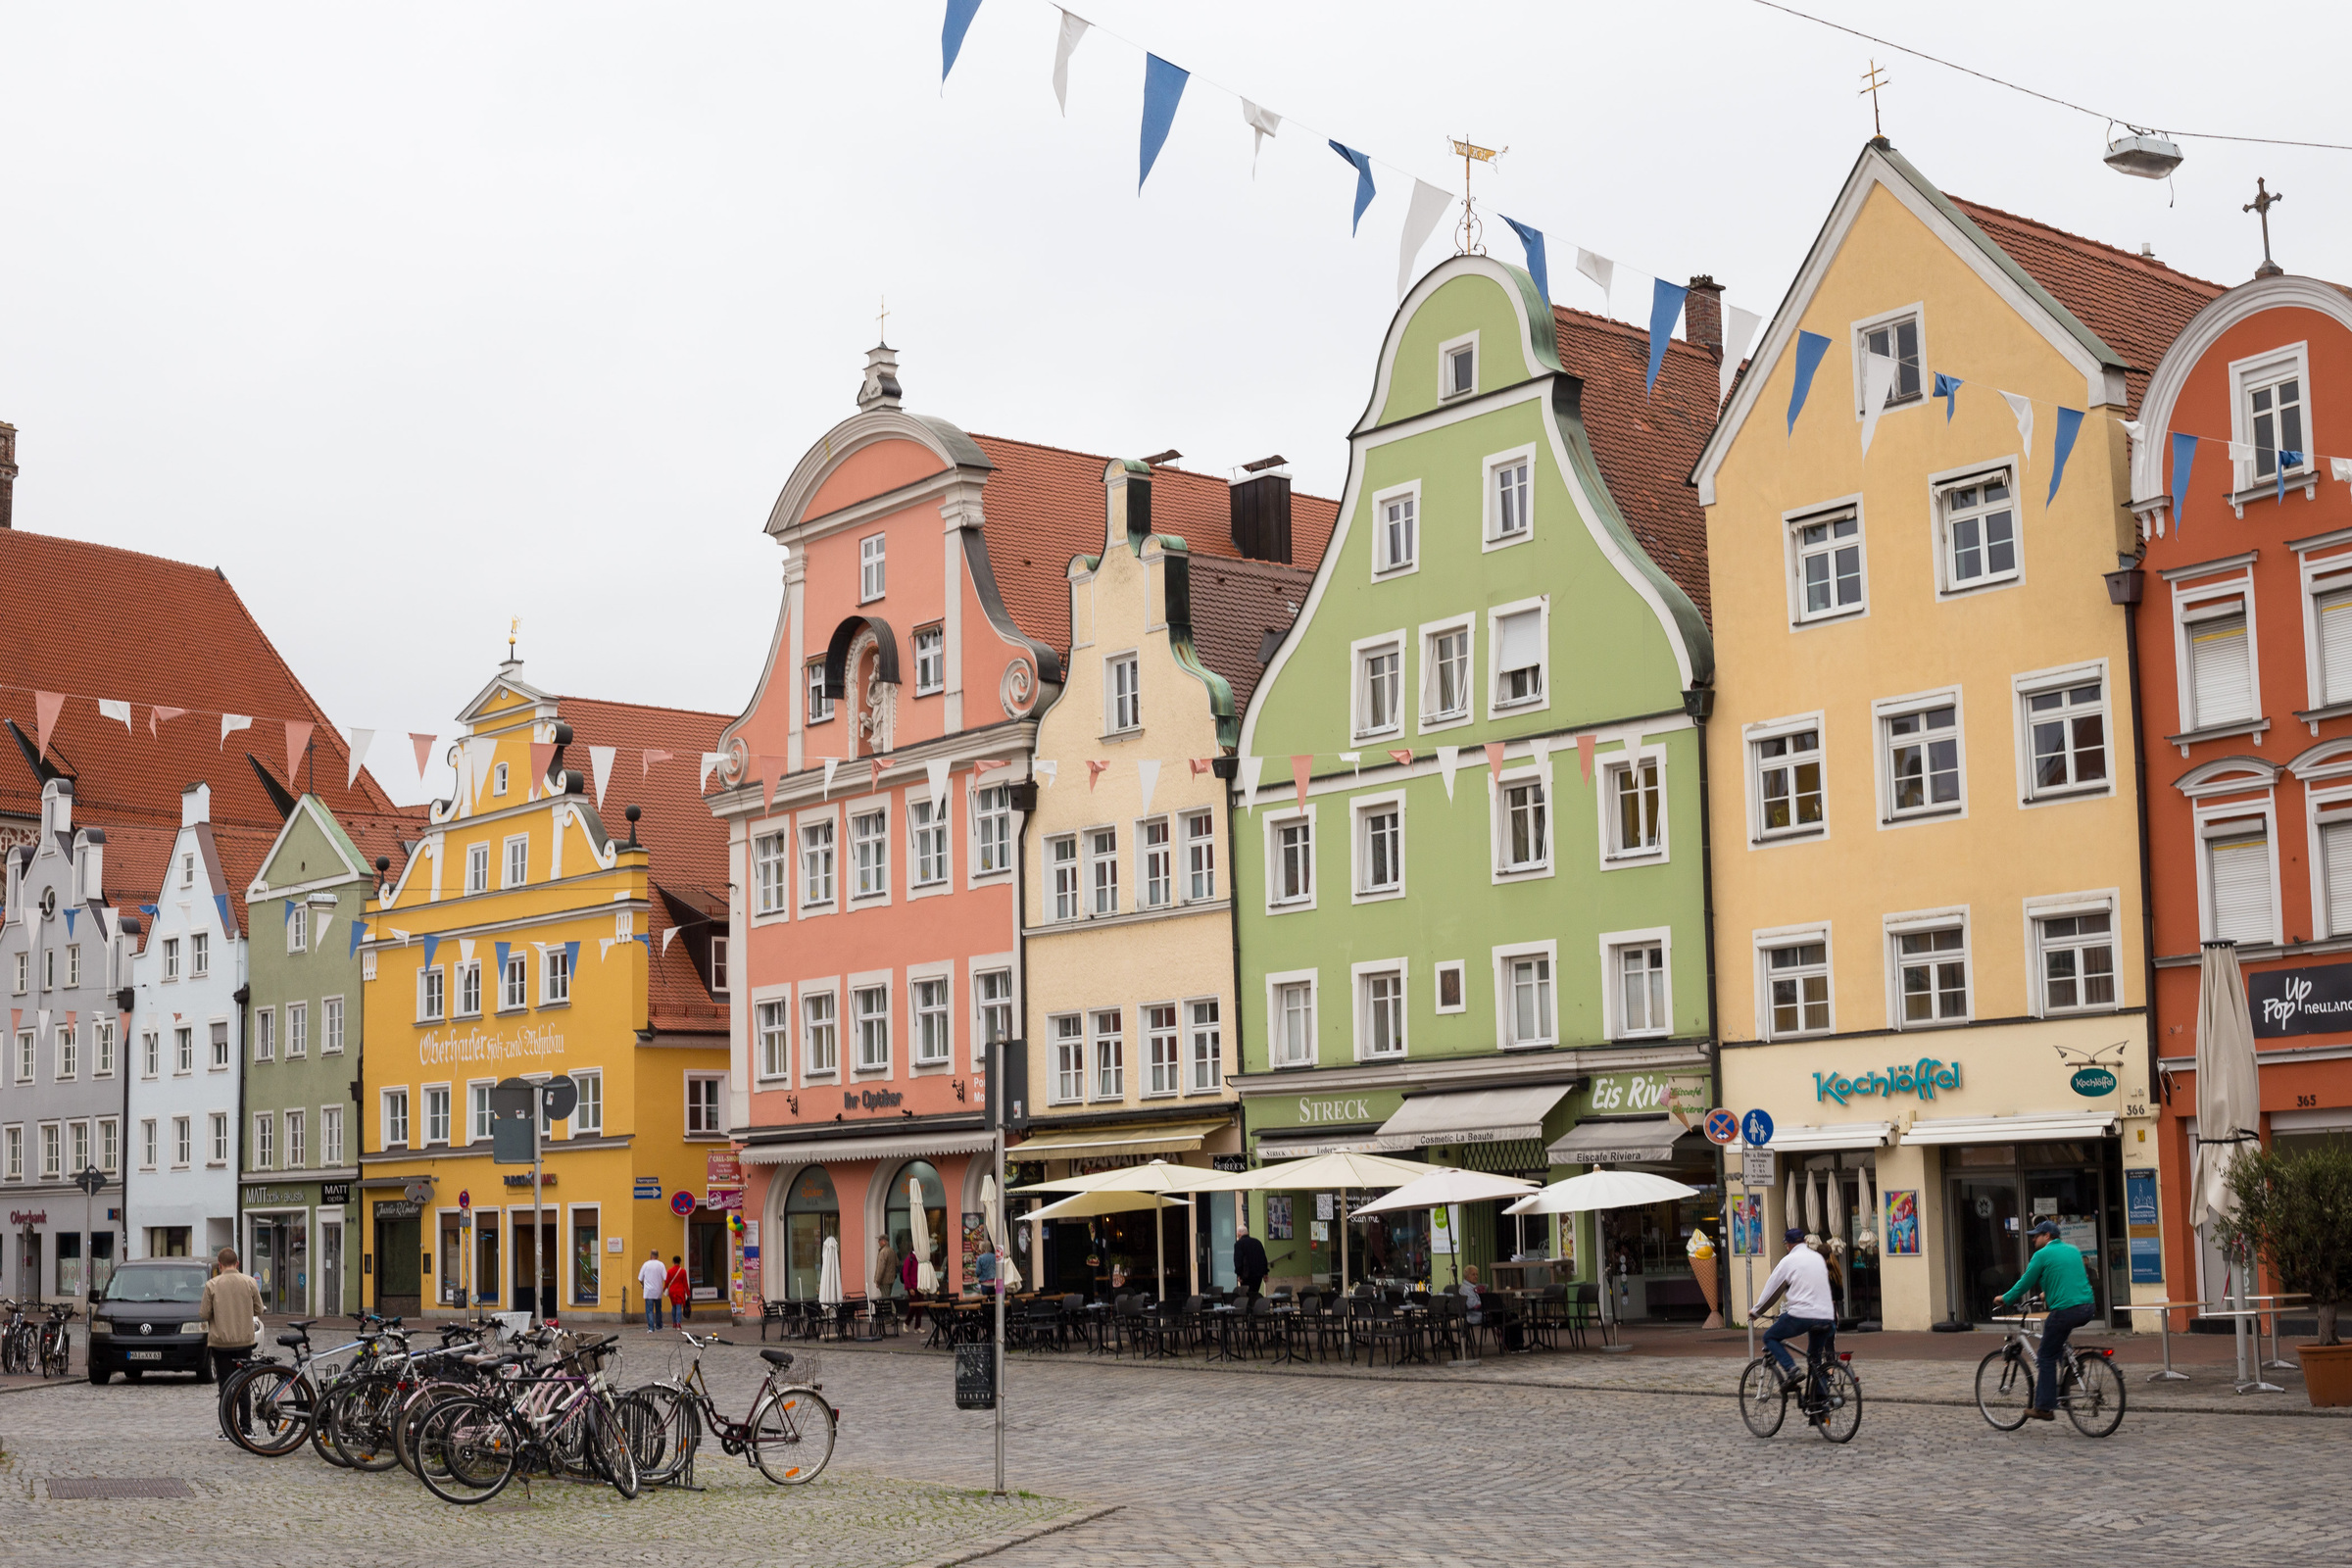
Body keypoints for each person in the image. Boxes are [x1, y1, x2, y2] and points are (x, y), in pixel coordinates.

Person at [1997, 1219, 2097, 1422]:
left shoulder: (2041, 1255)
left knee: (2044, 1354)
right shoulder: (2072, 1250)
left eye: (2037, 1235)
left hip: (2065, 1311)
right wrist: (2046, 1293)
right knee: (2056, 1341)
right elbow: (2070, 1278)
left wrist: (2004, 1298)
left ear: (2048, 1236)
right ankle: (2070, 1372)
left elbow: (2024, 1282)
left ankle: (2044, 1407)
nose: (2033, 1238)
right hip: (2087, 1307)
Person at [1753, 1227, 1838, 1408]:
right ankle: (1820, 1406)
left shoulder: (1788, 1261)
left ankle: (1791, 1370)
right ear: (1805, 1242)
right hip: (1826, 1316)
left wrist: (1756, 1311)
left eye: (1786, 1245)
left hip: (1802, 1315)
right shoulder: (1817, 1258)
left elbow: (1772, 1291)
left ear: (1789, 1244)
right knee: (1815, 1359)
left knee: (1769, 1337)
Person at [200, 1247, 265, 1438]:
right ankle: (246, 1428)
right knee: (243, 1384)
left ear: (219, 1265)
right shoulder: (249, 1282)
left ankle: (229, 1428)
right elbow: (259, 1309)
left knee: (225, 1386)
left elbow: (204, 1313)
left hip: (220, 1343)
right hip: (244, 1341)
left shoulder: (212, 1285)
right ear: (237, 1264)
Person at [1233, 1220, 1269, 1302]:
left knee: (1246, 1297)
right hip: (1258, 1275)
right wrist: (1265, 1273)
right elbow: (1263, 1258)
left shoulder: (1239, 1244)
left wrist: (1239, 1274)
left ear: (1239, 1234)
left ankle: (1249, 1312)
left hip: (1246, 1275)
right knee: (1254, 1294)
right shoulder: (1257, 1242)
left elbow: (1238, 1261)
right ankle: (1255, 1310)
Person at [637, 1249, 667, 1334]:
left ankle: (651, 1327)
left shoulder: (646, 1265)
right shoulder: (661, 1265)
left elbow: (640, 1278)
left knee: (649, 1310)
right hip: (658, 1290)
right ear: (657, 1256)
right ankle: (659, 1326)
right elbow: (665, 1278)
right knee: (658, 1309)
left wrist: (643, 1285)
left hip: (648, 1291)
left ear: (651, 1255)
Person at [663, 1254, 690, 1327]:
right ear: (680, 1261)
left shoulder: (669, 1271)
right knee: (678, 1307)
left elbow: (667, 1282)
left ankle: (674, 1323)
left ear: (673, 1262)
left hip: (672, 1291)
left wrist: (664, 1288)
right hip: (680, 1291)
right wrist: (688, 1293)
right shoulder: (683, 1271)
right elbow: (685, 1283)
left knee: (673, 1306)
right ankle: (678, 1323)